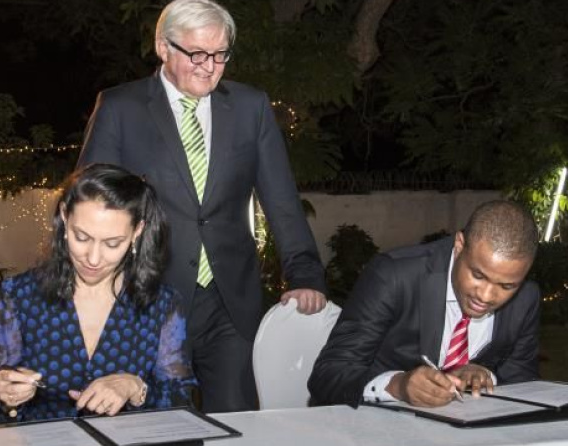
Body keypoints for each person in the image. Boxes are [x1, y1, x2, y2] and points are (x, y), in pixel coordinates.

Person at [77, 0, 327, 412]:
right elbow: (89, 206)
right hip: (147, 301)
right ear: (163, 47)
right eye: (196, 53)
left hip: (231, 302)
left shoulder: (251, 108)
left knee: (237, 427)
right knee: (161, 427)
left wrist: (304, 273)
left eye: (220, 55)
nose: (209, 66)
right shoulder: (121, 108)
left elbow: (281, 200)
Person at [0, 163, 196, 425]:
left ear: (137, 232)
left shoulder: (162, 302)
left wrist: (136, 388)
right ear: (65, 218)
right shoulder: (20, 296)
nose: (93, 258)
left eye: (112, 243)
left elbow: (183, 403)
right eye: (82, 237)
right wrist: (4, 396)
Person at [308, 200, 541, 408]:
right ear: (459, 245)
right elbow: (327, 375)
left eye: (507, 286)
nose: (487, 295)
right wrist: (398, 386)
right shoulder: (394, 275)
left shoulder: (526, 299)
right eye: (478, 276)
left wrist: (487, 376)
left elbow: (522, 385)